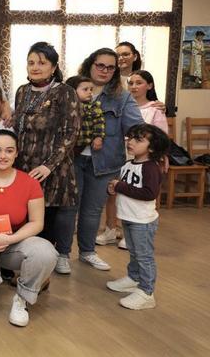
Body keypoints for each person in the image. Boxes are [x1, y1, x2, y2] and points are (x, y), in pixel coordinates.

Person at [0, 129, 57, 327]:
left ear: (16, 153)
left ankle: (22, 299)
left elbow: (37, 223)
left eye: (8, 151)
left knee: (46, 252)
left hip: (13, 243)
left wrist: (10, 239)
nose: (3, 156)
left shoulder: (30, 183)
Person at [11, 42, 80, 275]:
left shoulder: (64, 92)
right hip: (23, 167)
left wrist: (49, 165)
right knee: (24, 217)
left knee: (46, 220)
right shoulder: (22, 91)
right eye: (31, 62)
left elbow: (72, 133)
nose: (35, 67)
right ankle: (24, 264)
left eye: (42, 63)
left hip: (52, 169)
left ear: (53, 67)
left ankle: (42, 271)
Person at [74, 48, 143, 272]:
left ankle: (87, 252)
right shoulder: (71, 88)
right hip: (70, 160)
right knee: (67, 209)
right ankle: (61, 253)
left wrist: (155, 152)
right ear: (90, 64)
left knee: (93, 211)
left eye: (110, 67)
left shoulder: (121, 97)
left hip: (104, 163)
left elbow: (137, 128)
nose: (105, 70)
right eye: (100, 65)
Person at [97, 69, 168, 250]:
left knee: (138, 192)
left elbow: (162, 137)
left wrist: (160, 157)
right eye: (131, 83)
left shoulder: (155, 109)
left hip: (145, 158)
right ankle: (111, 228)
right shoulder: (120, 102)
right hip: (122, 153)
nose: (134, 87)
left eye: (139, 83)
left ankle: (134, 230)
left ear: (149, 86)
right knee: (114, 193)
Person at [105, 124, 169, 310]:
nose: (130, 142)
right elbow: (124, 186)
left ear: (152, 147)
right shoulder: (128, 164)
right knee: (134, 252)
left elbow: (149, 193)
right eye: (130, 138)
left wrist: (120, 186)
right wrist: (113, 188)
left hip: (143, 220)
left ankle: (147, 292)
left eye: (138, 140)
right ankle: (134, 278)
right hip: (129, 217)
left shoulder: (151, 168)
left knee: (144, 256)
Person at [66, 75, 105, 154]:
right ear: (72, 91)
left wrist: (98, 137)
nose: (90, 92)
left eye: (91, 89)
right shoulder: (65, 107)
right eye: (85, 89)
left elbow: (99, 123)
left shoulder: (93, 107)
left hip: (83, 144)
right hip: (67, 144)